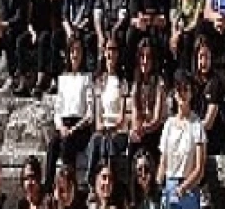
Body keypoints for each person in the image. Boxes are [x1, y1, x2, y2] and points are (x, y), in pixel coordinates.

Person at [157, 69, 206, 209]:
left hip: (187, 185)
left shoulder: (197, 126)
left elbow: (199, 168)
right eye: (179, 90)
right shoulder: (168, 125)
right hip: (169, 183)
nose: (182, 94)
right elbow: (163, 162)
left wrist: (184, 187)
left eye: (186, 89)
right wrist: (158, 187)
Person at [47, 34, 94, 179]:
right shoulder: (63, 78)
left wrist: (74, 128)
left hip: (80, 126)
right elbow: (58, 109)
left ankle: (69, 183)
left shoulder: (87, 78)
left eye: (78, 51)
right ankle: (48, 186)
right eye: (72, 50)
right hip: (65, 125)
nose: (75, 54)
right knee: (53, 143)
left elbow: (90, 113)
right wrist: (61, 127)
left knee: (68, 143)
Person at [85, 35, 129, 188]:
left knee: (108, 142)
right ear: (104, 53)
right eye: (108, 49)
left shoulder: (122, 81)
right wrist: (101, 125)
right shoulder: (99, 80)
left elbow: (122, 116)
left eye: (114, 49)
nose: (111, 53)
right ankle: (92, 182)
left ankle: (109, 181)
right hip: (103, 129)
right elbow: (98, 114)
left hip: (118, 131)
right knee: (97, 140)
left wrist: (113, 127)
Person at [125, 0, 171, 77]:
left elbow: (164, 18)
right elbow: (133, 17)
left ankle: (164, 75)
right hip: (142, 28)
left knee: (164, 38)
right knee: (130, 34)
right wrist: (143, 20)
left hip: (157, 28)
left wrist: (147, 19)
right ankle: (129, 74)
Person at [128, 36, 167, 164]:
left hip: (156, 130)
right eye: (142, 57)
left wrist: (143, 129)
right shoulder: (136, 84)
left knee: (147, 143)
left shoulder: (159, 83)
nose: (144, 61)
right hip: (142, 129)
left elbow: (156, 120)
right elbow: (135, 115)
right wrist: (136, 130)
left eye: (148, 57)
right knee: (132, 142)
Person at [192, 33, 225, 155]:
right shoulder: (192, 82)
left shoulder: (215, 82)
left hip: (212, 136)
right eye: (201, 57)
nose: (204, 62)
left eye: (207, 57)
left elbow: (208, 123)